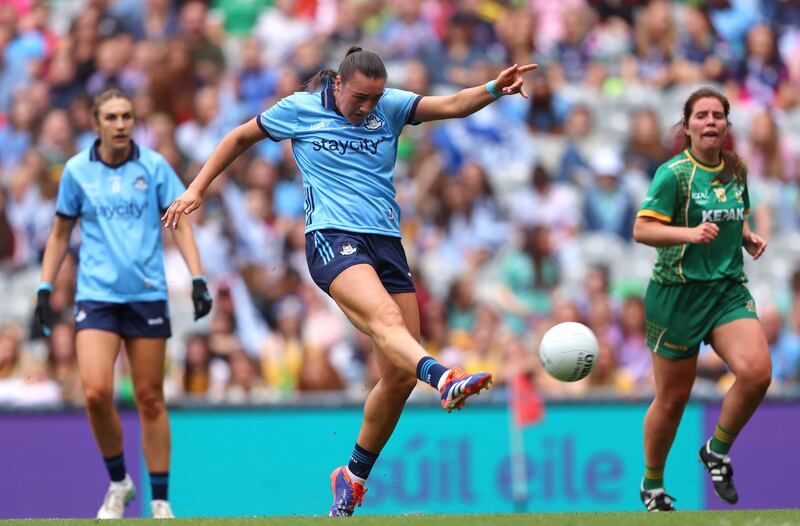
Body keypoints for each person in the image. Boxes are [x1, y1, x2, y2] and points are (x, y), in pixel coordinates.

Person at [161, 46, 536, 517]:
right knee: (384, 322)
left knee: (397, 376)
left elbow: (449, 105)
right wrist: (196, 189)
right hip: (332, 239)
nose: (367, 108)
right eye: (360, 98)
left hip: (387, 244)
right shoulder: (299, 109)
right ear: (337, 85)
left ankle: (353, 477)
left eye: (374, 100)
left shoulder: (390, 106)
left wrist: (491, 90)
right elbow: (239, 137)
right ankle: (444, 378)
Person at [35, 88, 213, 519]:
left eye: (127, 116)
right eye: (112, 117)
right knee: (96, 392)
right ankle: (119, 482)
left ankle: (160, 499)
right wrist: (44, 287)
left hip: (147, 293)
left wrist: (197, 276)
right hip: (96, 295)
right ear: (96, 123)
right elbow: (60, 233)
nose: (120, 124)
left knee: (151, 397)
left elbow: (180, 222)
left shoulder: (153, 166)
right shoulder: (77, 171)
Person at [633, 87, 770, 511]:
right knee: (673, 400)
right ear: (687, 125)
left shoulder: (736, 168)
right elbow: (642, 230)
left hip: (726, 291)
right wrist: (687, 234)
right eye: (701, 115)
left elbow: (732, 213)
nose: (710, 121)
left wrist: (745, 236)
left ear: (727, 124)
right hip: (677, 294)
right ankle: (653, 486)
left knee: (757, 373)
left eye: (717, 115)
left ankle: (717, 449)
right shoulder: (672, 174)